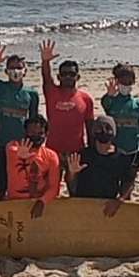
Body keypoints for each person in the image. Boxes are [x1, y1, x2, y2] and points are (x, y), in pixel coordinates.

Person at [0, 43, 39, 201]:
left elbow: (34, 120)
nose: (16, 71)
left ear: (25, 71)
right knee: (1, 179)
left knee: (22, 178)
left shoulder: (31, 94)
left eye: (19, 68)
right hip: (3, 143)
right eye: (12, 68)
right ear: (7, 71)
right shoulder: (0, 88)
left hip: (22, 146)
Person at [39, 39, 95, 176]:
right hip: (53, 151)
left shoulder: (86, 99)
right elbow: (46, 77)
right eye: (64, 74)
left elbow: (90, 127)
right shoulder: (52, 92)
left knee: (75, 189)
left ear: (78, 76)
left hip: (76, 153)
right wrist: (45, 61)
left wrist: (92, 151)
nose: (68, 77)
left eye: (71, 74)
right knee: (51, 189)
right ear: (59, 76)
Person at [66, 116, 137, 217]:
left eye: (108, 128)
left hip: (107, 206)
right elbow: (71, 187)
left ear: (114, 133)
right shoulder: (83, 155)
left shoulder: (121, 158)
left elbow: (129, 182)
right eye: (99, 128)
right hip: (83, 205)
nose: (103, 131)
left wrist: (119, 201)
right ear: (94, 132)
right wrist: (72, 174)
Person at [100, 63, 139, 196]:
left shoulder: (138, 105)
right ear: (117, 81)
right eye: (123, 81)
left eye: (129, 81)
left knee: (128, 185)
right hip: (115, 151)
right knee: (112, 184)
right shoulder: (112, 101)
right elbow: (105, 105)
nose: (126, 84)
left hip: (132, 151)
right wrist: (109, 95)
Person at [4, 115, 61, 219]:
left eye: (40, 133)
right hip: (14, 203)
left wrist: (42, 201)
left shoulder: (51, 156)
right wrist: (19, 154)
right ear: (25, 133)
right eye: (32, 133)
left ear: (46, 134)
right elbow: (12, 150)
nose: (36, 136)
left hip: (40, 204)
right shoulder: (13, 146)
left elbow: (54, 187)